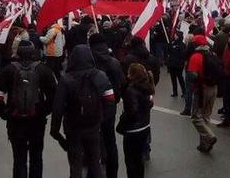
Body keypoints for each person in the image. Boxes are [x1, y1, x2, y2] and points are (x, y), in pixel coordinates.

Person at [0, 40, 57, 178]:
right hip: (37, 121)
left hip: (15, 120)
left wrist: (6, 113)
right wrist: (43, 111)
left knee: (19, 158)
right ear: (33, 51)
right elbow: (54, 98)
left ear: (17, 52)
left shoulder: (8, 70)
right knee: (36, 157)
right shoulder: (43, 70)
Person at [50, 44, 115, 178]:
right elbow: (110, 101)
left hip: (73, 127)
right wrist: (101, 120)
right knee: (94, 161)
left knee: (75, 164)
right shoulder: (100, 76)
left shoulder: (66, 79)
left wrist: (55, 131)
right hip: (93, 126)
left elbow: (58, 107)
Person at [89, 33, 126, 178]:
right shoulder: (114, 62)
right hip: (110, 104)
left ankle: (94, 166)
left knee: (92, 138)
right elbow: (122, 83)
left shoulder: (89, 61)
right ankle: (112, 172)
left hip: (91, 105)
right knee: (110, 138)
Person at [117, 63, 155, 178]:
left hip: (133, 130)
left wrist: (122, 118)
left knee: (130, 161)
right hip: (144, 126)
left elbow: (131, 112)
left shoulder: (131, 91)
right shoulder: (147, 87)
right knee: (139, 160)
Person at [187, 35, 218, 153]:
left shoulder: (195, 56)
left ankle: (209, 136)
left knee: (196, 117)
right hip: (213, 88)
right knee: (206, 116)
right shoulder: (212, 54)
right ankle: (204, 144)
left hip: (202, 89)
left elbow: (192, 75)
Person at [167, 31, 187, 97]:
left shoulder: (182, 45)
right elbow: (169, 51)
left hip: (178, 65)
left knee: (180, 78)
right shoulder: (172, 43)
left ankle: (184, 92)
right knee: (173, 79)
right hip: (172, 64)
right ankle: (175, 92)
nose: (174, 36)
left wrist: (173, 49)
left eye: (176, 35)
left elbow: (181, 54)